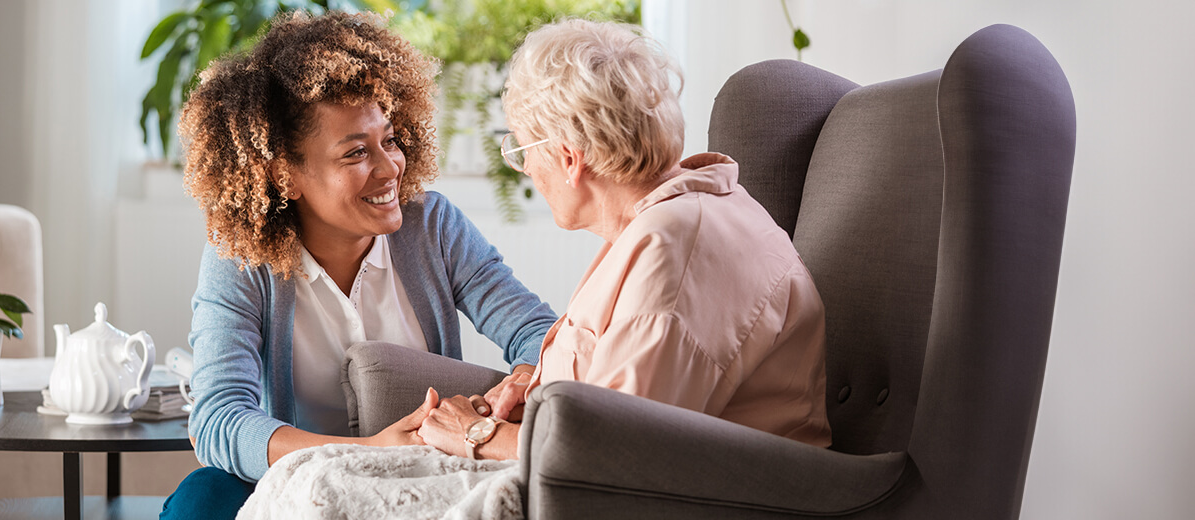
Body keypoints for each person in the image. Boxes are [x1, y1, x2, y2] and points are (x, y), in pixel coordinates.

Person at [160, 11, 559, 520]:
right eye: (355, 154)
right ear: (285, 175)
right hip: (295, 484)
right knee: (202, 498)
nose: (391, 166)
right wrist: (366, 451)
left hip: (419, 478)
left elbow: (536, 331)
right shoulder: (241, 261)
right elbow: (219, 419)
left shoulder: (432, 227)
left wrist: (522, 380)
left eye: (389, 140)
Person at [417, 19, 833, 461]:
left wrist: (477, 434)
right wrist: (540, 392)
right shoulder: (673, 218)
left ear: (568, 158)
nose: (528, 170)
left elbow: (616, 453)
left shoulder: (674, 250)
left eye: (521, 150)